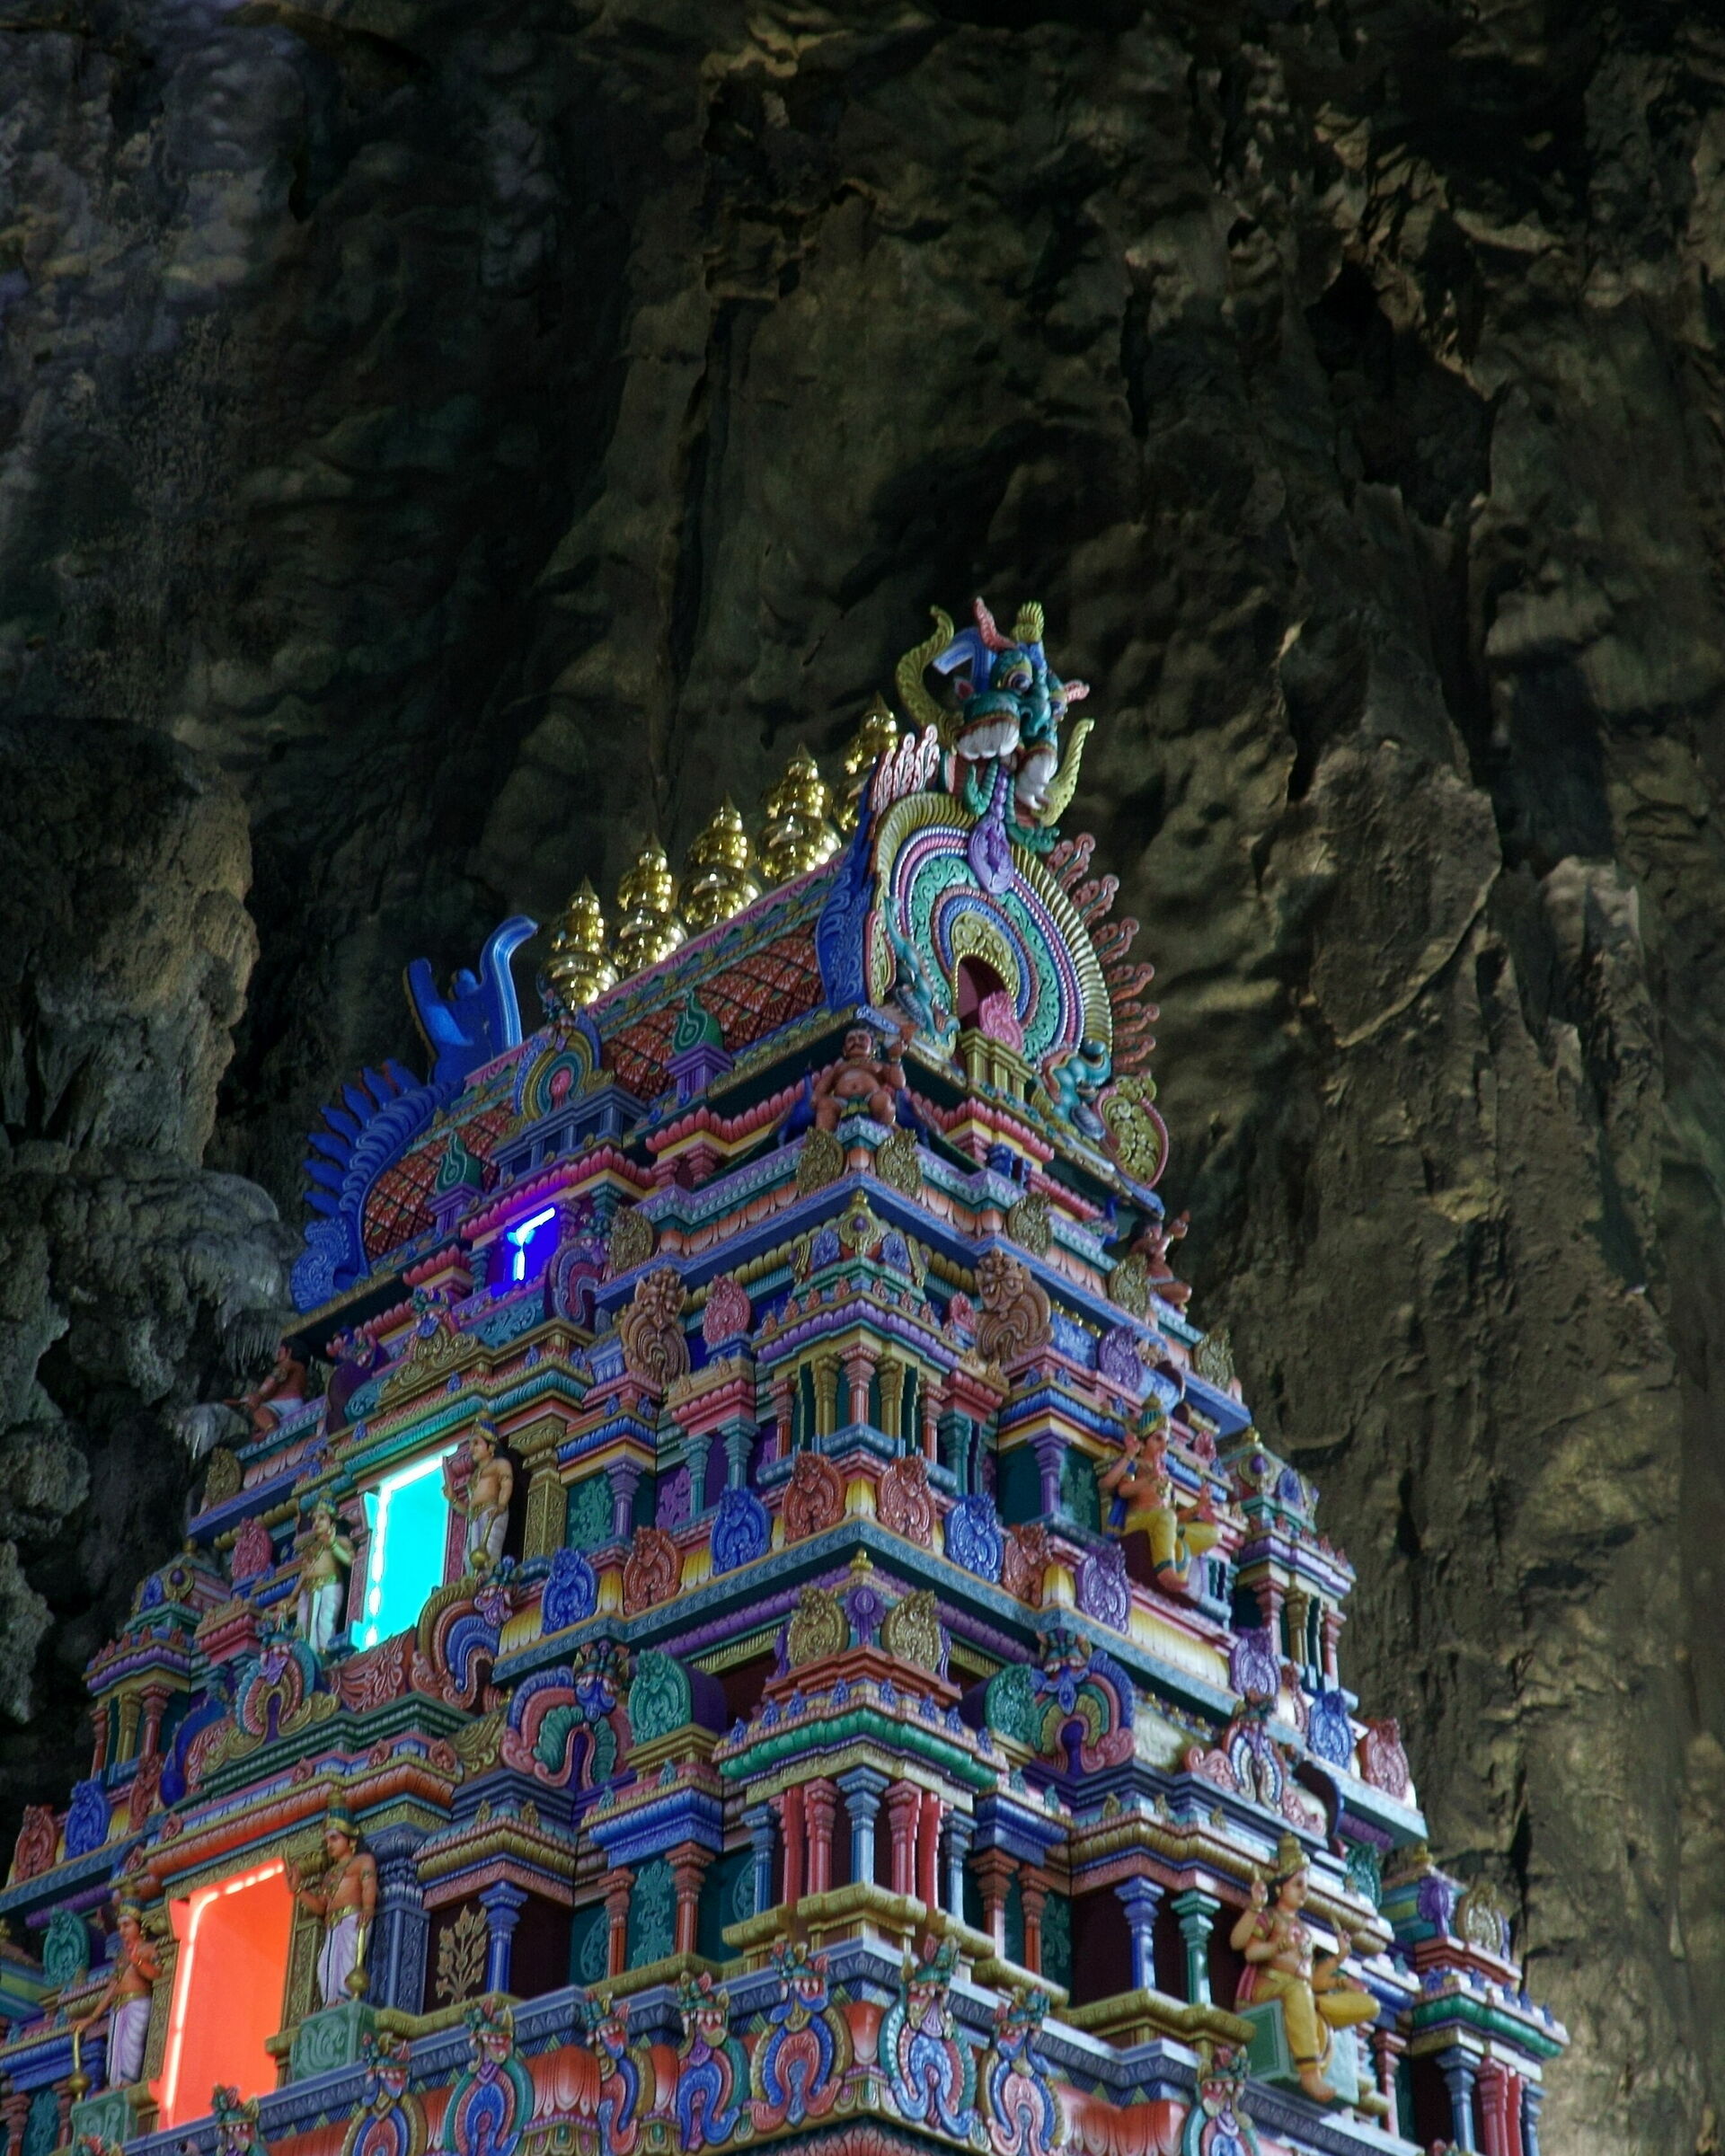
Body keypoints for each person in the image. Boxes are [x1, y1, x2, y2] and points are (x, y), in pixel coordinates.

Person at [1230, 1838, 1378, 2103]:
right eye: (1298, 1885)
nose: (1304, 1892)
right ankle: (1310, 2074)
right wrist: (1276, 1945)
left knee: (1369, 2005)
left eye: (1306, 1886)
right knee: (1298, 1991)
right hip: (1269, 1988)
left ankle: (1311, 2029)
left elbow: (1314, 1980)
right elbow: (1248, 1950)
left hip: (1301, 1994)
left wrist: (1339, 1964)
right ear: (1280, 1888)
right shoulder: (1270, 1917)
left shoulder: (1305, 1931)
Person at [1097, 1412, 1220, 1593]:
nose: (1163, 1446)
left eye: (1167, 1442)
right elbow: (1122, 1490)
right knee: (1166, 1518)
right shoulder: (1136, 1465)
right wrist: (1147, 1476)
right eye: (1158, 1439)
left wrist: (1199, 1506)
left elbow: (1173, 1517)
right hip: (1136, 1523)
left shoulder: (1165, 1478)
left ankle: (1175, 1578)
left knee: (1212, 1534)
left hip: (1163, 1524)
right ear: (1144, 1441)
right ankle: (1166, 1571)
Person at [286, 1807, 377, 2007]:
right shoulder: (330, 1875)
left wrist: (368, 1909)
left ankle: (343, 1999)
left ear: (351, 1840)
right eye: (327, 1841)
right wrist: (299, 1890)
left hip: (353, 1920)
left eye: (334, 1838)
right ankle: (330, 2001)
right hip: (332, 1926)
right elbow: (321, 1907)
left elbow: (368, 1886)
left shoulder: (362, 1861)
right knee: (325, 1966)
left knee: (347, 1961)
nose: (329, 1845)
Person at [75, 1901, 161, 2087]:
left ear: (140, 1926)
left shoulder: (148, 1949)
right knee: (115, 2053)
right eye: (120, 1926)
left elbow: (158, 1973)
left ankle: (129, 2081)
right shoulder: (121, 1958)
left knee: (132, 2047)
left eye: (127, 1925)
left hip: (138, 2004)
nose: (122, 1931)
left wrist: (138, 1962)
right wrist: (92, 2017)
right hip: (119, 2007)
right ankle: (116, 2085)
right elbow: (113, 1987)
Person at [443, 1420, 513, 1577]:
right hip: (475, 1516)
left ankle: (488, 1581)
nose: (471, 1448)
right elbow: (468, 1510)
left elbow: (507, 1484)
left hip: (492, 1512)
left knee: (489, 1552)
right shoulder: (474, 1477)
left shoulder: (500, 1465)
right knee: (470, 1556)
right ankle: (475, 1584)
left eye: (476, 1443)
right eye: (470, 1444)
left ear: (491, 1447)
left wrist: (501, 1506)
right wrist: (453, 1499)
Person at [811, 1026, 909, 1132]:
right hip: (841, 1104)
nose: (856, 1042)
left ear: (873, 1048)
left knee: (882, 1100)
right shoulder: (839, 1069)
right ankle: (823, 1141)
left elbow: (899, 1083)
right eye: (851, 1040)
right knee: (825, 1105)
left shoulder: (877, 1066)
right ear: (844, 1050)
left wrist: (895, 1059)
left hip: (871, 1099)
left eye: (862, 1038)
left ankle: (888, 1124)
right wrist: (817, 1099)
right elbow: (821, 1089)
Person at [293, 1500, 354, 1653]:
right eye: (313, 1520)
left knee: (325, 1621)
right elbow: (304, 1573)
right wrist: (291, 1597)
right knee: (304, 1623)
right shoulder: (311, 1548)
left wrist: (333, 1544)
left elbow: (352, 1561)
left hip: (330, 1584)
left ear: (331, 1521)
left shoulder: (341, 1541)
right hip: (307, 1589)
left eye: (321, 1518)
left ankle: (324, 1653)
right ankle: (308, 1654)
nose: (316, 1523)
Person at [227, 1341, 310, 1437]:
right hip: (290, 1403)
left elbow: (273, 1379)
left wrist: (259, 1395)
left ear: (289, 1352)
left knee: (259, 1410)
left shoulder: (288, 1363)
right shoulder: (301, 1370)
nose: (276, 1352)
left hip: (285, 1404)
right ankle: (264, 1431)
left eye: (280, 1350)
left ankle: (273, 1434)